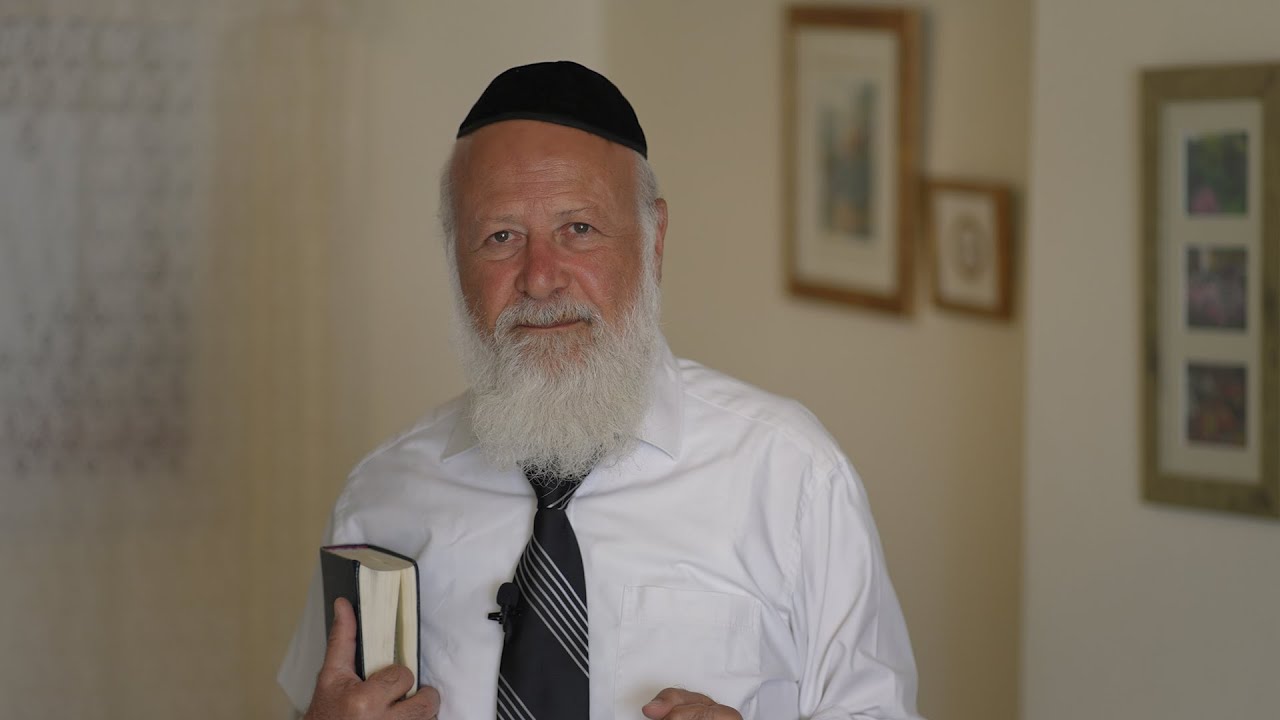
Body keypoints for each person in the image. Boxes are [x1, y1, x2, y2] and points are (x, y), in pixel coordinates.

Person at [278, 60, 922, 720]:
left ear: (653, 239)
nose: (540, 278)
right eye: (500, 237)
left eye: (578, 230)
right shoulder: (381, 496)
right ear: (454, 256)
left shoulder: (791, 477)